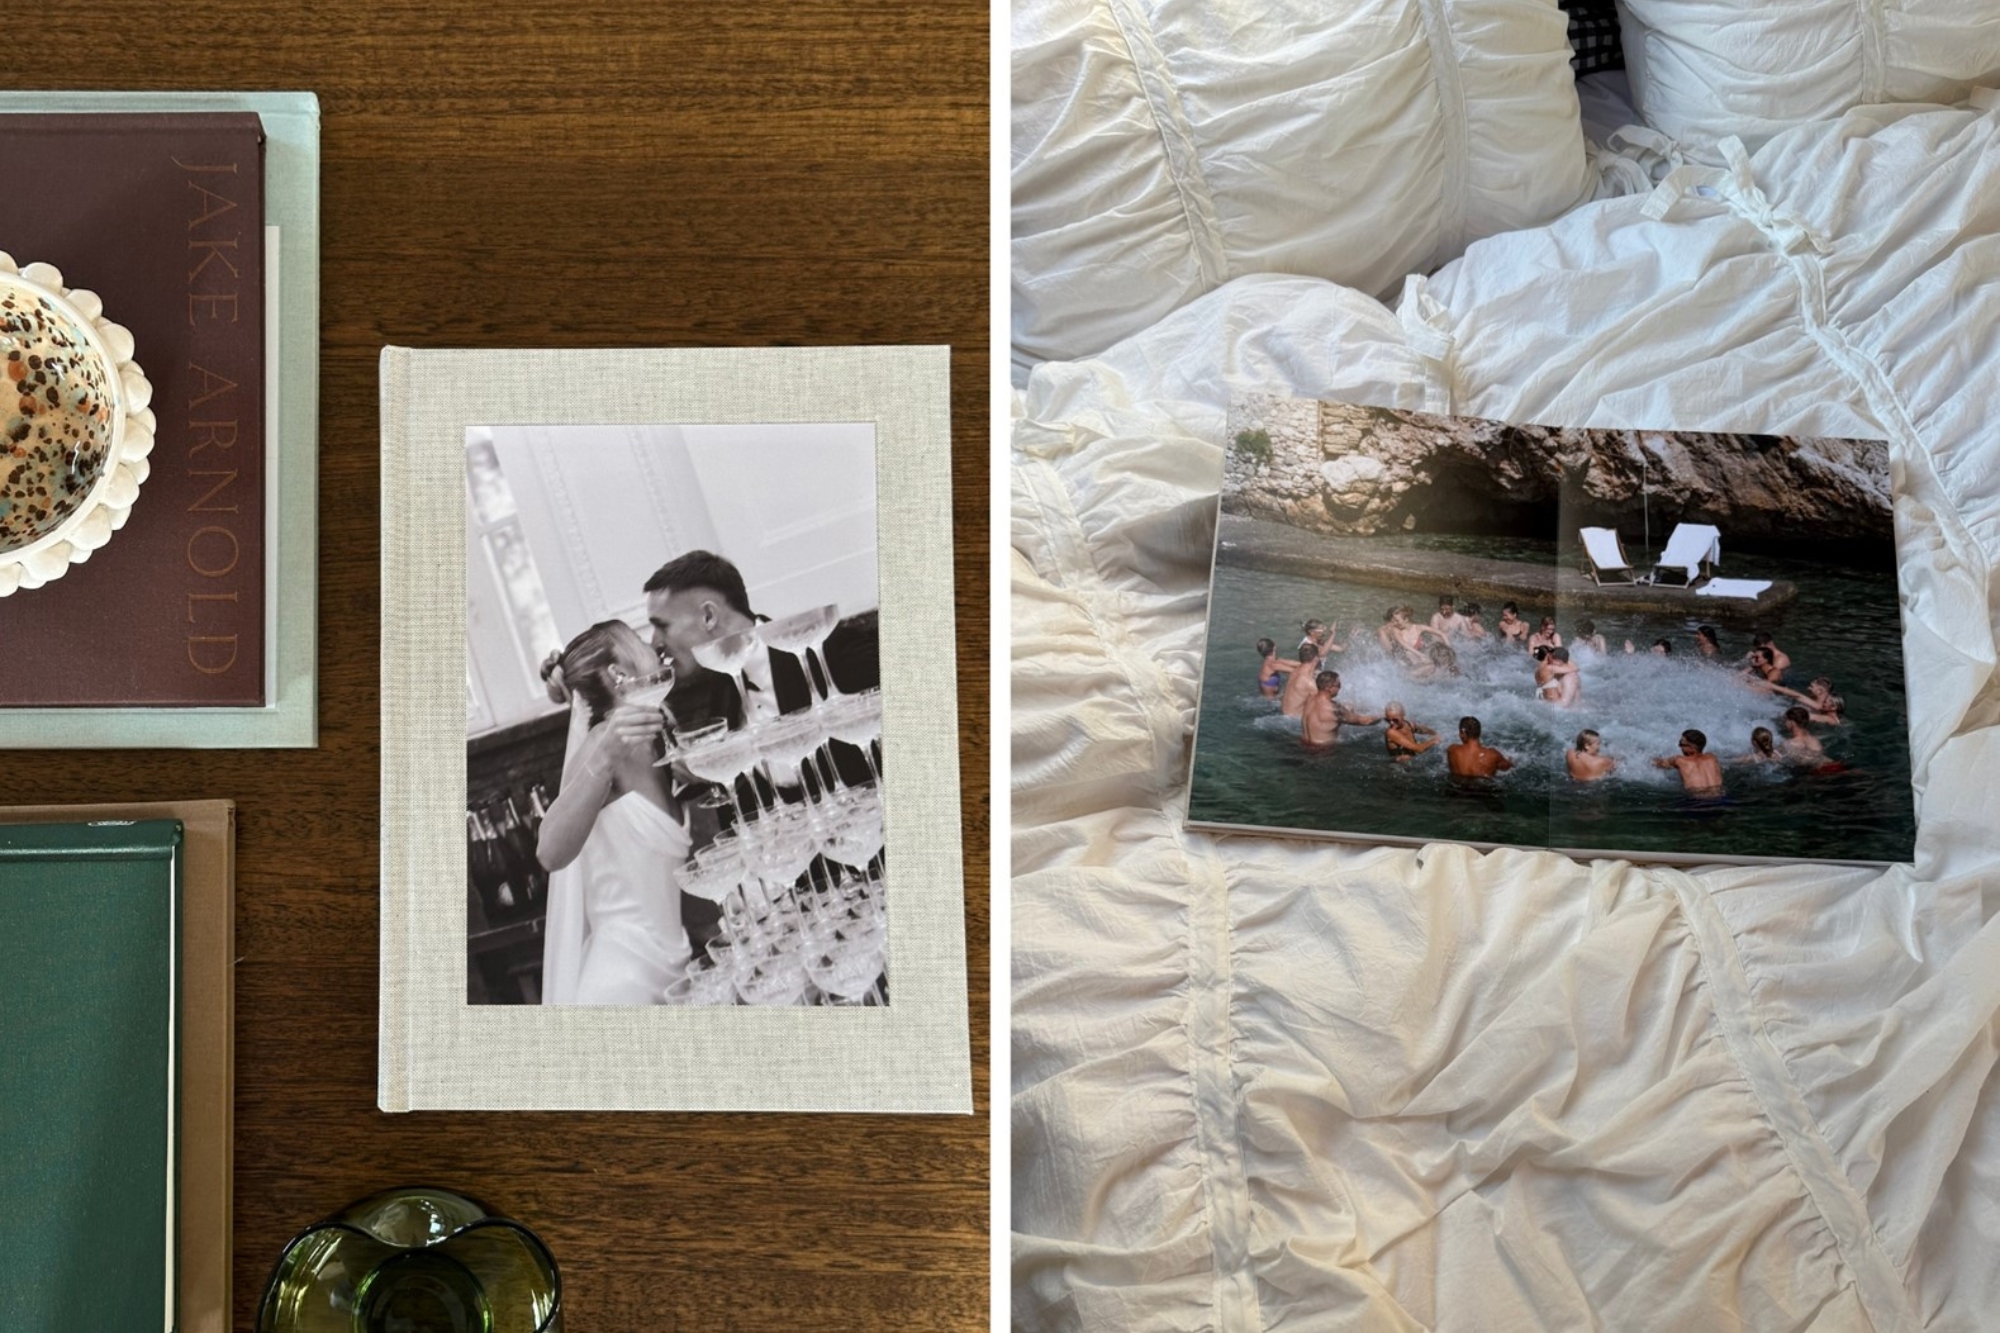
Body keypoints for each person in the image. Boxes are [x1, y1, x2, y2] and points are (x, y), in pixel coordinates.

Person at [534, 621, 693, 1005]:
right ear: (618, 674)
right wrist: (605, 758)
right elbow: (550, 853)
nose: (653, 646)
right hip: (622, 982)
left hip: (673, 964)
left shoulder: (657, 733)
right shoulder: (598, 747)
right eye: (639, 642)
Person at [1301, 671, 1381, 751]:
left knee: (1348, 706)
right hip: (1324, 753)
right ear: (1329, 688)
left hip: (1304, 746)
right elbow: (1365, 721)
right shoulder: (1334, 709)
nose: (1340, 688)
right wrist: (1383, 715)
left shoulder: (1309, 699)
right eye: (1338, 685)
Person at [1653, 728, 1723, 793]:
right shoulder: (1712, 757)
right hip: (1720, 797)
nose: (1679, 746)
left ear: (1691, 747)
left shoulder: (1679, 760)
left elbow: (1659, 764)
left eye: (1681, 744)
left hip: (1696, 800)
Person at [1446, 715, 1513, 777]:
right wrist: (1511, 759)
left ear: (1462, 733)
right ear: (1479, 733)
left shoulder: (1452, 750)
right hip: (1483, 789)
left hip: (1457, 788)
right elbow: (1507, 767)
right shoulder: (1493, 755)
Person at [1771, 676, 1846, 724]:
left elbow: (1806, 716)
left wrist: (1781, 715)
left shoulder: (1829, 719)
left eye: (1826, 702)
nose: (1824, 703)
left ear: (1833, 707)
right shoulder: (1828, 714)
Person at [1279, 642, 1323, 717]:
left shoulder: (1295, 671)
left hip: (1284, 714)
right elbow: (1325, 703)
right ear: (1316, 659)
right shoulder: (1309, 682)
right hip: (1294, 721)